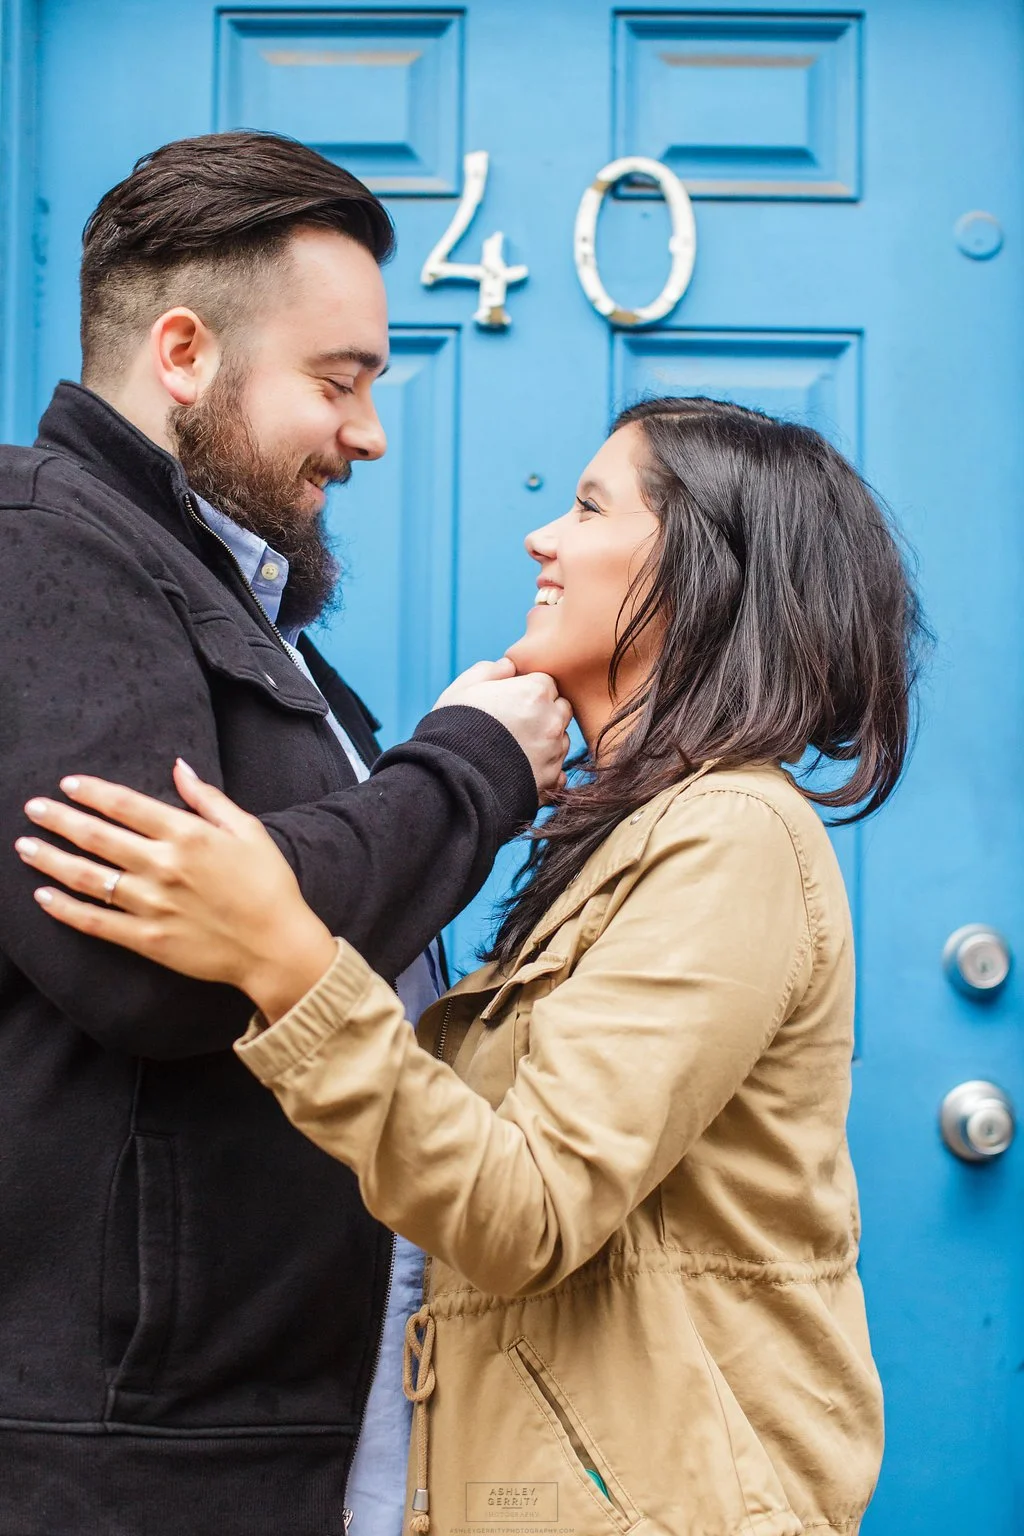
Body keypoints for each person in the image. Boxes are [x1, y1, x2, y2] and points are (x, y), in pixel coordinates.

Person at [17, 397, 926, 1536]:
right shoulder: (630, 840)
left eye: (591, 507)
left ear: (703, 574)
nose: (543, 539)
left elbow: (526, 1209)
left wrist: (286, 956)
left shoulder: (732, 835)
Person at [0, 131, 571, 1536]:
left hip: (275, 1421)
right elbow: (156, 957)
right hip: (138, 1453)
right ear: (184, 353)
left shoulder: (220, 594)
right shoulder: (43, 547)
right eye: (340, 381)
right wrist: (473, 768)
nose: (370, 432)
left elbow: (249, 901)